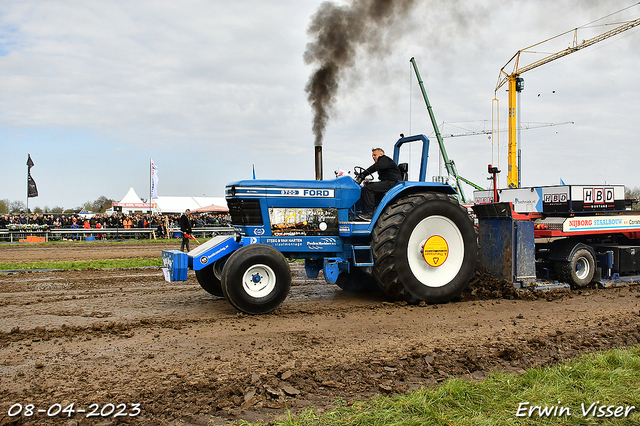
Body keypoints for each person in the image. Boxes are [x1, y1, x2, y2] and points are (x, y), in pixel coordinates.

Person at [355, 147, 402, 221]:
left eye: (375, 155)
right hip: (387, 182)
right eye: (372, 155)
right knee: (365, 188)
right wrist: (370, 183)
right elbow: (383, 180)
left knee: (369, 189)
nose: (373, 157)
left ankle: (370, 214)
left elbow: (376, 167)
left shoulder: (384, 159)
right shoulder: (383, 163)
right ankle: (363, 213)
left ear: (381, 154)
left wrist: (363, 174)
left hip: (393, 183)